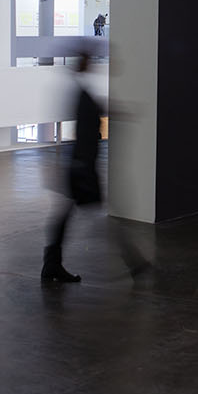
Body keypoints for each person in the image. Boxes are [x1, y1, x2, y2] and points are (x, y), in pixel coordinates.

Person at [41, 48, 149, 284]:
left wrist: (123, 112)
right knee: (97, 217)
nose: (91, 63)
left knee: (68, 215)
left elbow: (97, 109)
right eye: (88, 59)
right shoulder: (79, 92)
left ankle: (52, 264)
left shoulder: (79, 90)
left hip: (80, 164)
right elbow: (92, 116)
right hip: (82, 166)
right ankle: (133, 261)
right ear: (82, 62)